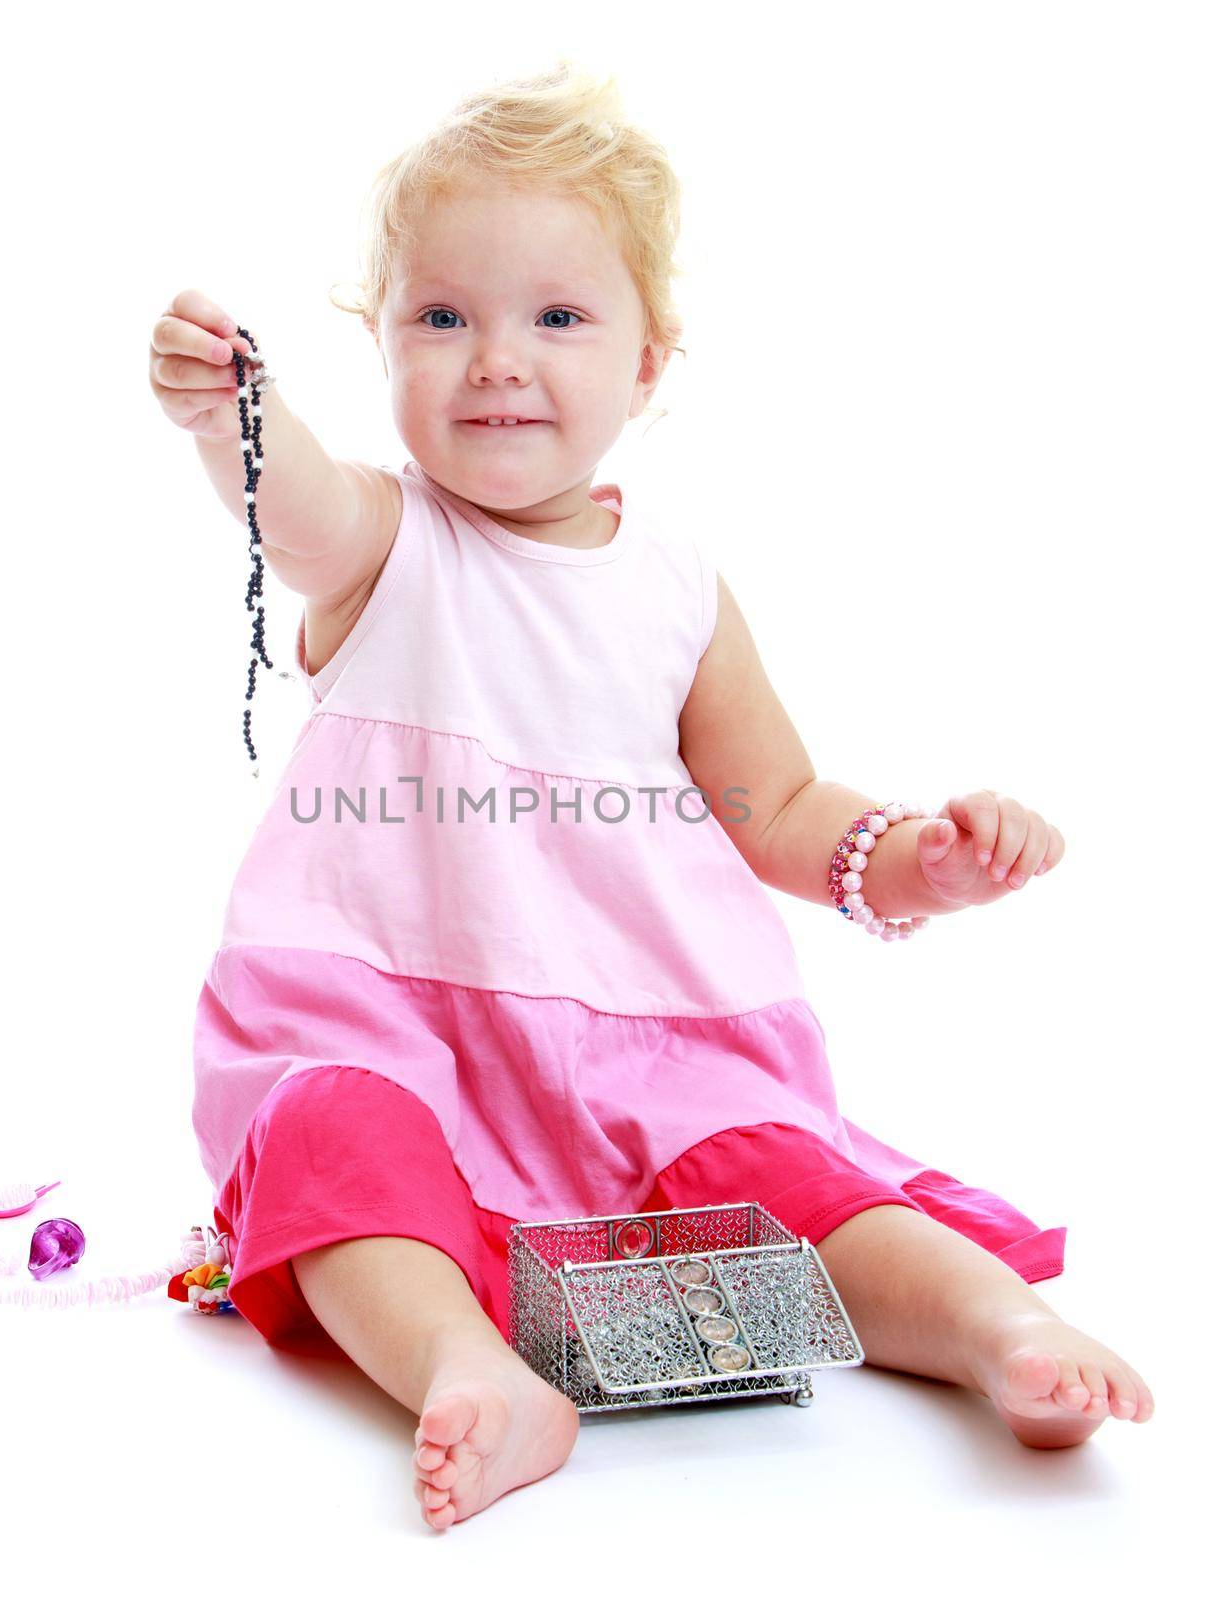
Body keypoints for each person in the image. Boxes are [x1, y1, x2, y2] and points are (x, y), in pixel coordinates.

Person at [148, 60, 1153, 1534]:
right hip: (387, 1020)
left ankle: (1001, 1334)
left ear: (647, 363)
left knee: (793, 1185)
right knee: (327, 1147)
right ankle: (469, 1375)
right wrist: (231, 416)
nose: (496, 358)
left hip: (644, 1043)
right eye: (443, 317)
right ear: (385, 353)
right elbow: (287, 503)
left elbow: (781, 806)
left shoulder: (674, 586)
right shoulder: (386, 540)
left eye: (556, 317)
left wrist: (915, 862)